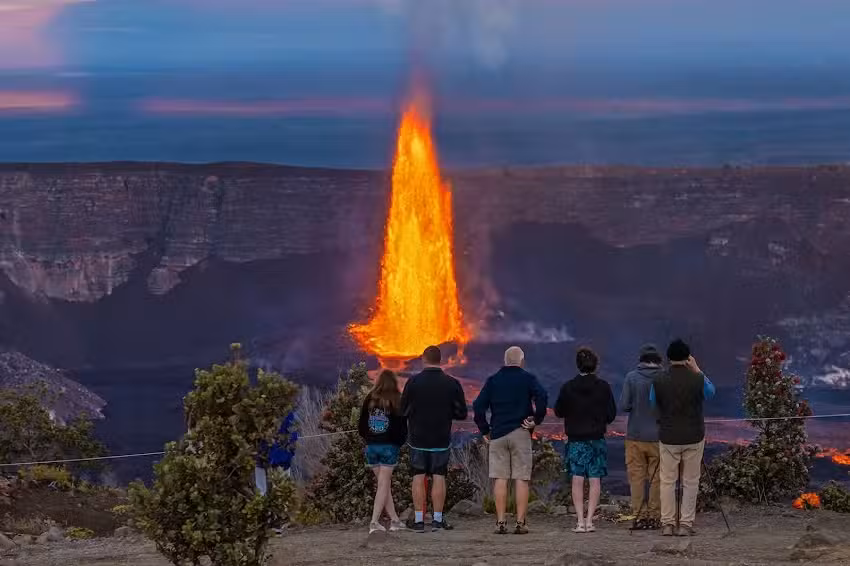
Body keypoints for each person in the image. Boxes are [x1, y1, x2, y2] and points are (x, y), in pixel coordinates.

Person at [473, 346, 548, 535]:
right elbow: (543, 396)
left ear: (505, 361)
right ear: (521, 361)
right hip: (520, 432)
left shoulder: (493, 380)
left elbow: (478, 406)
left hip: (498, 434)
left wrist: (484, 429)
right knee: (521, 478)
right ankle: (521, 523)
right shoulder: (528, 378)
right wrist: (536, 419)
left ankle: (500, 522)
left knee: (500, 478)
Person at [650, 338, 716, 537]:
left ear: (668, 358)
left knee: (667, 481)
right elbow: (711, 393)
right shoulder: (697, 378)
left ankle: (668, 524)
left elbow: (653, 402)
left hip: (668, 436)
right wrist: (697, 369)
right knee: (690, 481)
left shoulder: (659, 380)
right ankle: (686, 524)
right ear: (688, 357)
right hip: (694, 436)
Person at [400, 345, 468, 533]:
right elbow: (462, 412)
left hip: (418, 437)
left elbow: (402, 410)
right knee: (439, 476)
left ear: (423, 359)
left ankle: (420, 520)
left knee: (418, 476)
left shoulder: (413, 382)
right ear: (441, 360)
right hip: (441, 436)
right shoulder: (452, 383)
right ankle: (437, 520)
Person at [554, 347, 616, 534]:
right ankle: (590, 521)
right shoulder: (604, 387)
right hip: (596, 439)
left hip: (576, 441)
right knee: (595, 479)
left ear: (577, 365)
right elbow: (611, 414)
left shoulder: (568, 387)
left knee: (577, 480)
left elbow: (558, 411)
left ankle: (580, 521)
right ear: (595, 365)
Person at [620, 344, 665, 530]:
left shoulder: (631, 377)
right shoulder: (665, 377)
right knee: (658, 478)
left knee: (636, 478)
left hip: (635, 436)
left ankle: (638, 515)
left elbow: (624, 405)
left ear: (642, 360)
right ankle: (655, 516)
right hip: (659, 436)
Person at [358, 369, 408, 534]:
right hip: (388, 447)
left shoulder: (370, 399)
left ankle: (394, 520)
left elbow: (361, 425)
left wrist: (369, 439)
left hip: (371, 447)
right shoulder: (397, 400)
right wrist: (398, 443)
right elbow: (402, 428)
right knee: (383, 484)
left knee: (383, 485)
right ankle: (374, 522)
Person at [256, 410, 298, 495]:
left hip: (279, 460)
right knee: (278, 493)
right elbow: (293, 437)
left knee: (271, 493)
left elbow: (293, 437)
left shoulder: (287, 413)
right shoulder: (288, 413)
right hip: (268, 460)